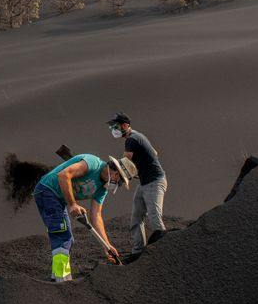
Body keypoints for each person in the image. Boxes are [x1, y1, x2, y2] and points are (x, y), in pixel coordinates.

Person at [33, 154, 129, 282]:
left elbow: (96, 215)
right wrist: (73, 204)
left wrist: (106, 245)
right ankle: (61, 280)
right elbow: (63, 175)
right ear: (117, 174)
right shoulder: (92, 163)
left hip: (59, 200)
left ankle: (57, 276)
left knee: (68, 238)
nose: (118, 184)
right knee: (62, 236)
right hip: (47, 191)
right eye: (121, 181)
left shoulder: (102, 189)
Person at [106, 112, 167, 263]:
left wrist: (114, 175)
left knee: (155, 219)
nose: (113, 129)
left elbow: (124, 164)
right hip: (145, 183)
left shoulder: (131, 140)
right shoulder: (137, 136)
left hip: (154, 182)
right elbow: (154, 152)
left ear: (125, 125)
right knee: (137, 217)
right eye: (112, 127)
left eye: (116, 126)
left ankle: (166, 252)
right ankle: (137, 253)